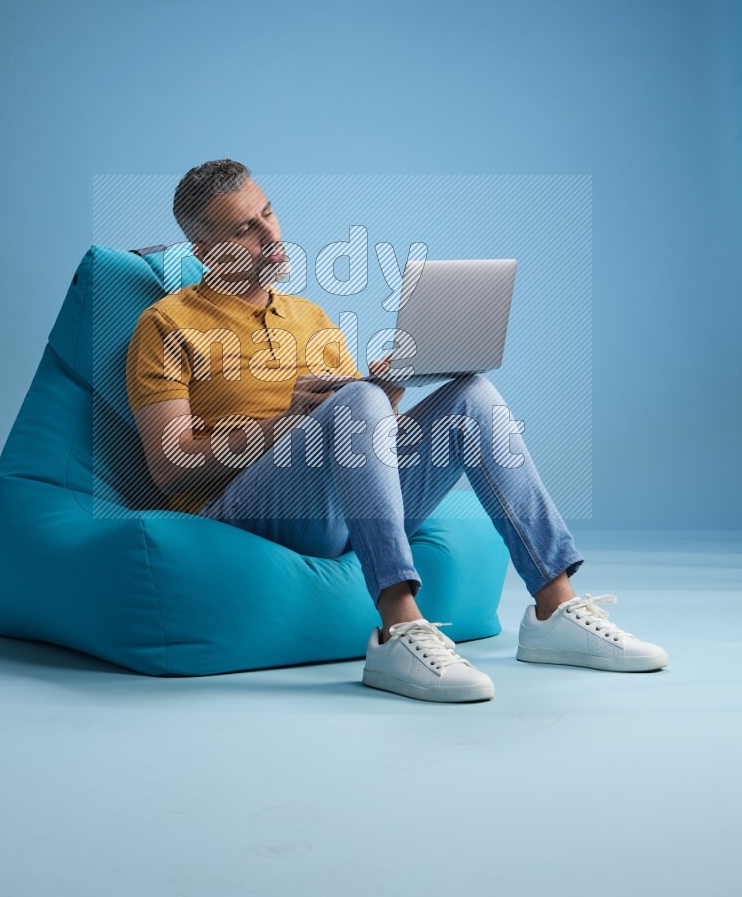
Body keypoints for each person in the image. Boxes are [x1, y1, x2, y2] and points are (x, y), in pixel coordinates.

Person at [126, 159, 668, 703]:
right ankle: (397, 629)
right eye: (245, 228)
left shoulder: (310, 317)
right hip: (243, 514)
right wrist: (284, 424)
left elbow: (355, 430)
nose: (271, 234)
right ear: (204, 252)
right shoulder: (166, 323)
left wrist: (388, 396)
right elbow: (170, 466)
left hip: (336, 505)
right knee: (357, 399)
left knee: (469, 395)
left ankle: (555, 605)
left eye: (268, 213)